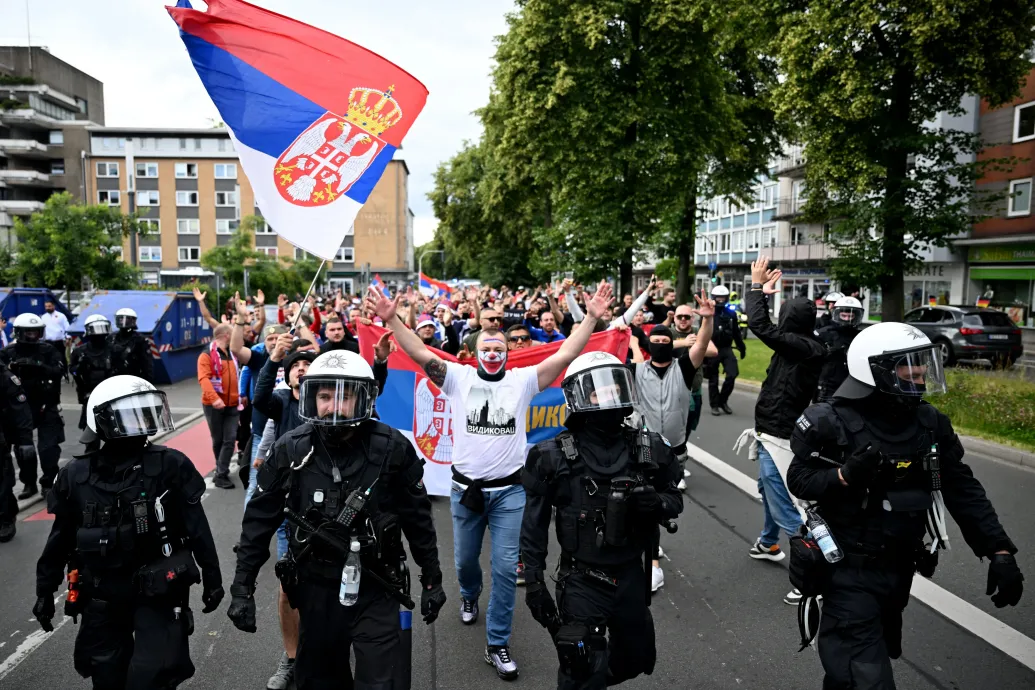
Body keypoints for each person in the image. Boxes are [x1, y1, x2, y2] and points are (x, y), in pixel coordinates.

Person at [368, 280, 615, 680]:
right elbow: (416, 351)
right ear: (476, 351)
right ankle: (468, 596)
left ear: (507, 353)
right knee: (466, 563)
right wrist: (392, 319)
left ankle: (497, 642)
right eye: (486, 349)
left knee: (504, 570)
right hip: (466, 492)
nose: (493, 355)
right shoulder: (458, 379)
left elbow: (569, 351)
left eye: (499, 349)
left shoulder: (523, 382)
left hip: (510, 494)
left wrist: (590, 317)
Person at [787, 322, 1024, 688]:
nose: (918, 371)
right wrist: (844, 477)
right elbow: (799, 480)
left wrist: (999, 549)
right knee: (866, 676)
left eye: (922, 362)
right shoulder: (829, 420)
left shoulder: (929, 422)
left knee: (855, 670)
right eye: (906, 364)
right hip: (847, 569)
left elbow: (962, 487)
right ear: (873, 369)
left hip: (898, 569)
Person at [228, 350, 446, 689]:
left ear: (364, 398)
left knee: (382, 682)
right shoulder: (292, 449)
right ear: (312, 398)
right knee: (318, 681)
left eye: (344, 396)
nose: (333, 406)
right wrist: (242, 587)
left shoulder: (393, 448)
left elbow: (418, 519)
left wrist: (432, 579)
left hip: (377, 586)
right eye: (325, 396)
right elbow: (258, 520)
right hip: (317, 589)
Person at [33, 375, 223, 689]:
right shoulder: (74, 474)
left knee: (153, 675)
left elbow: (196, 527)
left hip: (158, 590)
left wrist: (213, 578)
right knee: (106, 675)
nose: (140, 422)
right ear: (101, 421)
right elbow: (61, 538)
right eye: (129, 415)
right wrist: (44, 590)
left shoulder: (170, 465)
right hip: (101, 591)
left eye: (144, 412)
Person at [521, 351, 683, 689]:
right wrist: (534, 582)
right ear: (578, 397)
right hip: (582, 580)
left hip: (629, 575)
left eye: (615, 387)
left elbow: (674, 501)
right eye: (597, 390)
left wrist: (655, 503)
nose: (609, 396)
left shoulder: (648, 448)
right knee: (581, 671)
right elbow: (533, 525)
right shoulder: (551, 456)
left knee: (637, 659)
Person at [739, 257, 825, 605]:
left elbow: (759, 326)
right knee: (767, 488)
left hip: (780, 435)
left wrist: (756, 288)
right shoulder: (799, 343)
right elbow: (770, 328)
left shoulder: (803, 347)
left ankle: (812, 574)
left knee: (782, 499)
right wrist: (768, 294)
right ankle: (767, 542)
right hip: (771, 430)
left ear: (790, 320)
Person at [629, 293, 714, 591]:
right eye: (657, 342)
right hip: (643, 449)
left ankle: (653, 539)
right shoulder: (637, 371)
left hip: (675, 452)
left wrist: (707, 318)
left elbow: (701, 345)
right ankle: (652, 559)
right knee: (646, 504)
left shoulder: (684, 368)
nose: (662, 347)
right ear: (650, 344)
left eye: (667, 343)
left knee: (663, 504)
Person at [0, 313, 65, 500]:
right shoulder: (7, 353)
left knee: (49, 449)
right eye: (28, 333)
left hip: (46, 406)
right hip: (18, 410)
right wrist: (13, 367)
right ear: (19, 333)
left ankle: (49, 482)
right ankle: (29, 483)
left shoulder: (49, 350)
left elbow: (60, 370)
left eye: (36, 332)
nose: (32, 337)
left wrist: (38, 366)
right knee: (23, 449)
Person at [197, 324, 240, 490]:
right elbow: (204, 379)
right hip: (213, 405)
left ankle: (221, 473)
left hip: (233, 404)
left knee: (229, 439)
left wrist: (240, 396)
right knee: (218, 440)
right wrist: (214, 399)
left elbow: (238, 375)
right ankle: (221, 467)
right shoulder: (206, 355)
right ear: (227, 335)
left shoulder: (232, 354)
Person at [0, 364, 36, 542]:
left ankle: (6, 519)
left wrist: (25, 441)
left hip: (3, 436)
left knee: (2, 479)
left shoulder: (6, 378)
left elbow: (21, 412)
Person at [813, 296, 865, 402]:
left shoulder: (862, 337)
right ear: (837, 314)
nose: (847, 319)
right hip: (827, 386)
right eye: (843, 315)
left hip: (852, 385)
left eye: (851, 316)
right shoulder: (823, 334)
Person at [704, 285, 746, 416]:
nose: (720, 300)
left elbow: (736, 333)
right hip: (712, 348)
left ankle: (723, 400)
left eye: (723, 298)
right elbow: (703, 333)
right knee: (713, 379)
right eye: (718, 298)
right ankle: (714, 405)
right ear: (714, 298)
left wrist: (741, 347)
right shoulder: (709, 313)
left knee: (732, 374)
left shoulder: (731, 314)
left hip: (727, 348)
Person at [70, 314, 115, 430]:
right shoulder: (80, 352)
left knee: (114, 432)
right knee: (91, 433)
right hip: (89, 394)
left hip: (112, 394)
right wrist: (80, 367)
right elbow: (73, 372)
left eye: (102, 328)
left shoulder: (114, 349)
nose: (99, 333)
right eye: (96, 329)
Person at [110, 308, 154, 383]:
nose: (122, 322)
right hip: (114, 379)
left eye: (126, 319)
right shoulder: (111, 337)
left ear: (133, 321)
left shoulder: (140, 340)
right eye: (120, 319)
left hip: (133, 378)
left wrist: (146, 384)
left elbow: (147, 365)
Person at [40, 300, 70, 376]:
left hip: (59, 341)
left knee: (61, 357)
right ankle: (50, 373)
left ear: (53, 306)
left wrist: (68, 338)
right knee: (48, 357)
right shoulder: (43, 317)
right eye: (46, 306)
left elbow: (66, 327)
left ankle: (64, 373)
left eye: (49, 306)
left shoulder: (61, 316)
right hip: (48, 341)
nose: (47, 308)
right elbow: (42, 330)